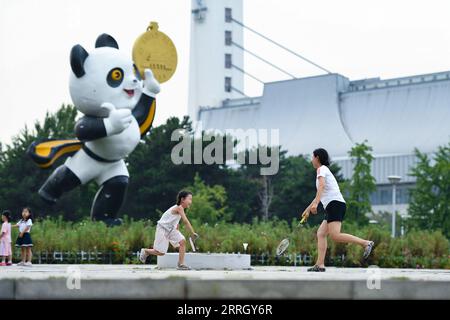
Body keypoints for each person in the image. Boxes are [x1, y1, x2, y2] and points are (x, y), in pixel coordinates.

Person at [302, 148, 374, 272]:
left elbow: (322, 187)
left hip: (334, 204)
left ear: (317, 158)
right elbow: (320, 192)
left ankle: (365, 243)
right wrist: (308, 209)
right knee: (321, 234)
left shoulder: (321, 169)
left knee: (335, 236)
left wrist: (316, 204)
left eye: (312, 157)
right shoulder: (322, 171)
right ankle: (320, 265)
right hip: (333, 205)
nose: (311, 160)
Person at [139, 191, 198, 270]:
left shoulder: (181, 209)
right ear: (182, 199)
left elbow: (175, 220)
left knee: (182, 241)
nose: (191, 202)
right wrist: (192, 232)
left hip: (171, 230)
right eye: (189, 199)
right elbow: (185, 221)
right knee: (161, 253)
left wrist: (177, 229)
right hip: (162, 228)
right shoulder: (179, 207)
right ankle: (146, 251)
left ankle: (180, 264)